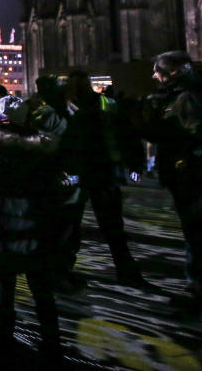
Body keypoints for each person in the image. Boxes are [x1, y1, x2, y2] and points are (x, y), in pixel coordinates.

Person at [0, 96, 75, 365]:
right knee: (43, 294)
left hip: (0, 232)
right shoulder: (43, 146)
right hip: (37, 233)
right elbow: (55, 193)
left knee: (3, 294)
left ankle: (1, 348)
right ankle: (52, 346)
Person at [143, 50, 202, 316]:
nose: (154, 74)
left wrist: (155, 127)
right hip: (191, 176)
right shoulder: (189, 92)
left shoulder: (188, 96)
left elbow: (195, 136)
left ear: (173, 72)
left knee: (199, 237)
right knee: (198, 236)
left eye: (158, 69)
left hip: (195, 178)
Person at [60, 70, 146, 288]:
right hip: (96, 171)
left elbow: (125, 134)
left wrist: (135, 162)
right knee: (92, 227)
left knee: (75, 227)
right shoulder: (101, 104)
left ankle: (64, 273)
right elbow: (127, 134)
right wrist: (135, 162)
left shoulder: (66, 107)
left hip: (90, 172)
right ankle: (125, 272)